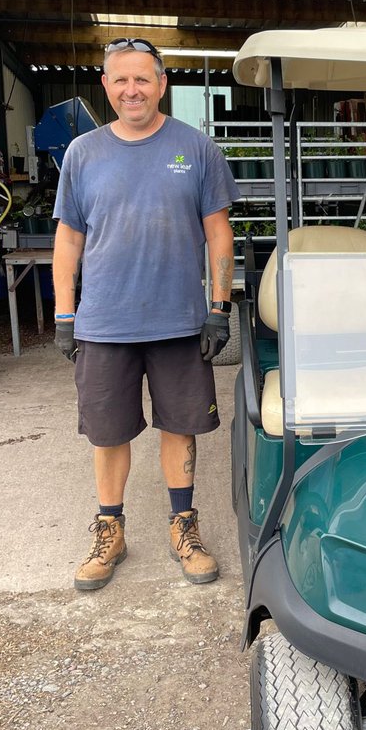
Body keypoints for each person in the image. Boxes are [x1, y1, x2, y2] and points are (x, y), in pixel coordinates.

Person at [51, 37, 239, 592]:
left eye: (143, 79)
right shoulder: (83, 154)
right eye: (120, 80)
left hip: (180, 321)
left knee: (182, 426)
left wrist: (219, 307)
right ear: (105, 87)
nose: (132, 89)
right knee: (108, 432)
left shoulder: (196, 148)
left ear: (162, 85)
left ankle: (184, 523)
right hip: (105, 322)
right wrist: (65, 315)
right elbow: (68, 239)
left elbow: (218, 232)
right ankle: (111, 527)